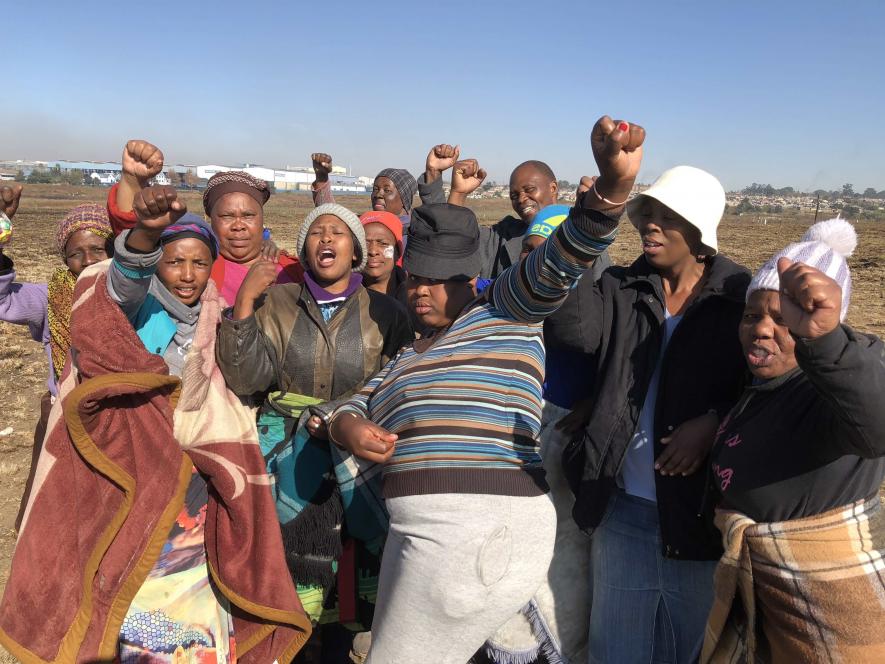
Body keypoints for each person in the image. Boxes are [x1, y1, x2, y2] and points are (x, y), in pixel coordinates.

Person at [325, 115, 644, 664]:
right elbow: (353, 401)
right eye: (415, 277)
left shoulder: (505, 310)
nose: (421, 290)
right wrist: (347, 423)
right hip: (422, 534)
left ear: (468, 280)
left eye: (438, 279)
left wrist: (611, 189)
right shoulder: (407, 356)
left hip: (476, 526)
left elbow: (563, 257)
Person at [0, 185, 312, 663]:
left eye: (199, 264)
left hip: (193, 496)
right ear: (155, 267)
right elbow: (120, 283)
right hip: (132, 482)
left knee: (194, 618)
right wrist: (145, 233)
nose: (187, 276)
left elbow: (232, 389)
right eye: (173, 262)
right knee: (126, 601)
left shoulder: (215, 317)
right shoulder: (133, 309)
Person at [551, 165, 752, 663]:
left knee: (690, 650)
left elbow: (763, 393)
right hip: (622, 509)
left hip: (699, 517)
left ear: (699, 230)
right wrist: (584, 226)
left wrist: (713, 422)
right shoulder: (622, 286)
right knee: (615, 650)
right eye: (647, 215)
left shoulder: (738, 301)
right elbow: (575, 332)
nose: (650, 226)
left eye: (667, 217)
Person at [216, 202, 414, 662]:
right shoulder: (275, 302)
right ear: (305, 249)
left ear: (356, 250)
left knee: (356, 571)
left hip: (357, 457)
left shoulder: (387, 312)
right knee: (292, 577)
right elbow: (246, 381)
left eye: (338, 233)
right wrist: (244, 303)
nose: (327, 239)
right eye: (317, 232)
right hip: (288, 457)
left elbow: (395, 386)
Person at [701, 218, 885, 663]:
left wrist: (827, 344)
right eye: (752, 315)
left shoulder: (834, 388)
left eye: (783, 319)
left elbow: (877, 422)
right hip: (768, 607)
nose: (761, 328)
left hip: (830, 611)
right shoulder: (760, 386)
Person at [0, 185, 114, 530]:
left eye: (98, 249)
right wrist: (2, 227)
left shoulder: (134, 296)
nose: (89, 260)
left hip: (115, 417)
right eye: (76, 253)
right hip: (61, 415)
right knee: (55, 511)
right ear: (64, 259)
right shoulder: (51, 297)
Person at [106, 139, 302, 303]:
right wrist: (132, 180)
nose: (239, 225)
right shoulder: (199, 267)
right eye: (226, 216)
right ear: (209, 219)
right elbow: (136, 242)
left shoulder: (290, 269)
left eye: (248, 215)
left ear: (262, 219)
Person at [420, 147, 568, 278]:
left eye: (529, 190)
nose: (522, 199)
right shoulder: (500, 238)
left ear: (553, 188)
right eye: (514, 196)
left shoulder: (580, 233)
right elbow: (453, 239)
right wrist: (456, 192)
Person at [311, 153, 419, 230]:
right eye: (375, 189)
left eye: (387, 190)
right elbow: (331, 213)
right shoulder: (362, 225)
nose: (378, 194)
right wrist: (321, 177)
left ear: (404, 199)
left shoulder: (418, 232)